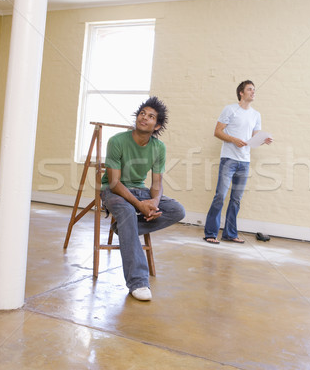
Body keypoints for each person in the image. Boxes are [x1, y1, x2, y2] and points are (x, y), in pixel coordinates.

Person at [101, 96, 185, 301]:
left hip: (140, 190)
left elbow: (157, 184)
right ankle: (138, 282)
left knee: (177, 210)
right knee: (129, 211)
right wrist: (140, 205)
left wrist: (154, 204)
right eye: (142, 114)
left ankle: (124, 228)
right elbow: (114, 183)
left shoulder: (159, 148)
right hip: (114, 191)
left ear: (156, 126)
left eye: (150, 116)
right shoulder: (117, 141)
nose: (144, 118)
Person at [204, 80, 272, 244]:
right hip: (229, 159)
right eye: (250, 89)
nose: (253, 92)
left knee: (236, 199)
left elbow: (254, 138)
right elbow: (217, 132)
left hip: (245, 162)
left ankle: (229, 233)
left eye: (254, 90)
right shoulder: (230, 109)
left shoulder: (256, 115)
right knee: (220, 195)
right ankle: (211, 233)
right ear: (241, 93)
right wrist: (234, 139)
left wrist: (264, 140)